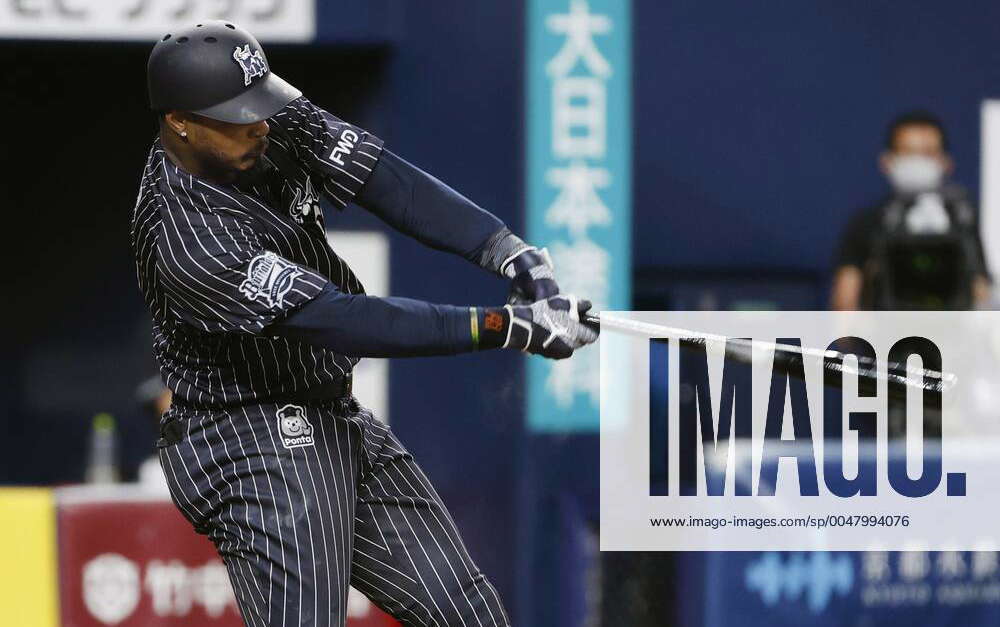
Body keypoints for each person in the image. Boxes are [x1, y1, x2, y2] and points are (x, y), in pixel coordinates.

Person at [131, 21, 598, 627]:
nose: (260, 123)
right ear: (180, 122)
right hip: (247, 435)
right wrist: (505, 326)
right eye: (237, 114)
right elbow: (344, 320)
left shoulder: (268, 121)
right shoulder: (187, 237)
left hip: (329, 409)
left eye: (260, 102)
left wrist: (506, 249)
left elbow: (388, 181)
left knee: (469, 614)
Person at [831, 111, 990, 310]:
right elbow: (845, 308)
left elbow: (982, 291)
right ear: (887, 161)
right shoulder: (867, 223)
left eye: (927, 153)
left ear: (945, 162)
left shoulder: (963, 221)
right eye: (907, 152)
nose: (917, 162)